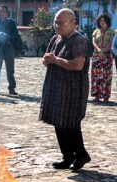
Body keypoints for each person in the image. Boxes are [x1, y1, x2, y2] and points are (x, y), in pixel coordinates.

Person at [40, 8, 91, 171]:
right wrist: (48, 60)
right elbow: (48, 58)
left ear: (72, 23)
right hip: (56, 87)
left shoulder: (79, 40)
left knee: (70, 123)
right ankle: (67, 156)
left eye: (61, 23)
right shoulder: (55, 38)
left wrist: (56, 60)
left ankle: (81, 154)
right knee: (58, 121)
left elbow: (77, 64)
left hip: (72, 89)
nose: (57, 26)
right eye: (56, 22)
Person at [0, 5, 19, 95]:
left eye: (3, 11)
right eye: (0, 11)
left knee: (10, 69)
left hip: (9, 47)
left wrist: (7, 38)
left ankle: (11, 88)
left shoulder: (12, 22)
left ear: (6, 13)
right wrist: (0, 38)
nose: (1, 13)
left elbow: (15, 33)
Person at [90, 13, 115, 102]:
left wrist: (103, 51)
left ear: (107, 22)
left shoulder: (112, 31)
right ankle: (96, 95)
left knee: (106, 75)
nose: (102, 22)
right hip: (96, 55)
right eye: (100, 20)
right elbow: (94, 42)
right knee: (96, 75)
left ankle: (106, 96)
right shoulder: (96, 31)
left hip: (107, 56)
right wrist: (99, 50)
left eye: (103, 20)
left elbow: (111, 43)